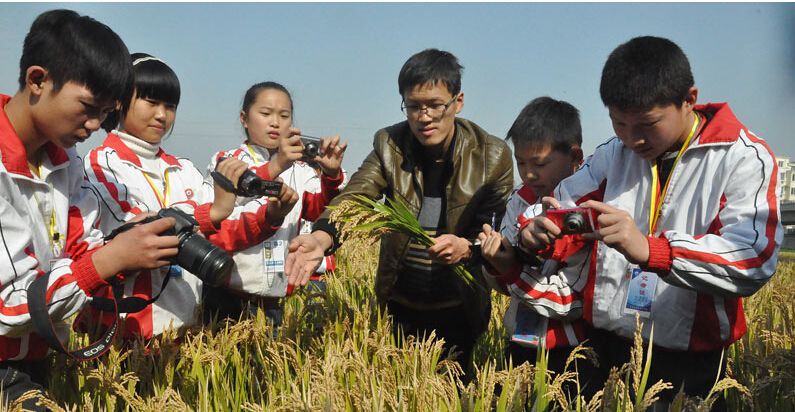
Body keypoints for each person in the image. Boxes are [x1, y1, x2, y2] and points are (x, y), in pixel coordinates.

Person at [522, 36, 782, 407]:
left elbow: (753, 257)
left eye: (647, 124)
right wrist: (538, 230)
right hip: (605, 347)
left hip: (688, 358)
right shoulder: (614, 153)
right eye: (619, 123)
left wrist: (652, 250)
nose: (633, 139)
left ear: (689, 99)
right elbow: (561, 207)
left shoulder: (741, 157)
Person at [285, 49, 514, 380]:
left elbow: (494, 227)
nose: (424, 116)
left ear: (457, 101)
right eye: (413, 106)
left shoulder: (492, 155)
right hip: (400, 305)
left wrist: (466, 248)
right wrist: (322, 237)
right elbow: (356, 196)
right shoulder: (389, 144)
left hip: (459, 307)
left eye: (435, 105)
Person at [0, 10, 183, 409]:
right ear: (37, 80)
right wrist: (109, 259)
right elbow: (9, 304)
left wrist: (128, 250)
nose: (94, 124)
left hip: (39, 357)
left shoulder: (66, 162)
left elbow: (84, 247)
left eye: (105, 112)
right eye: (87, 106)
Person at [82, 54, 298, 341]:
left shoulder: (183, 169)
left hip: (185, 327)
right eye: (151, 102)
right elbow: (143, 229)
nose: (162, 115)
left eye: (170, 106)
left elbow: (220, 233)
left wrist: (270, 217)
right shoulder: (103, 164)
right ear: (120, 101)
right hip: (128, 329)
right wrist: (213, 211)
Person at [203, 81, 346, 326]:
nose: (275, 122)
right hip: (229, 296)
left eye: (284, 115)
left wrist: (331, 177)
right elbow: (223, 212)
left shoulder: (301, 171)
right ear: (244, 118)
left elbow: (320, 211)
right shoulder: (227, 161)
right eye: (266, 113)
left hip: (276, 301)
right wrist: (277, 164)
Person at [477, 97, 590, 376]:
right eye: (520, 162)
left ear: (575, 157)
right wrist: (494, 261)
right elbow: (503, 278)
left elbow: (575, 301)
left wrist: (512, 271)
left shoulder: (585, 209)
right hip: (522, 341)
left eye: (539, 164)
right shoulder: (520, 199)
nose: (528, 174)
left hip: (571, 348)